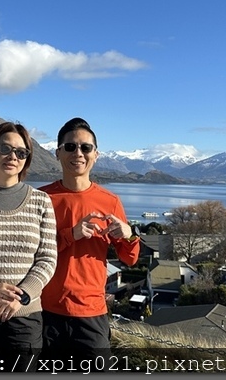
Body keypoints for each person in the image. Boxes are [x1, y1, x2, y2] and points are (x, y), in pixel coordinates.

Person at [39, 118, 139, 364]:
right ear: (58, 153)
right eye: (70, 147)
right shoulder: (40, 198)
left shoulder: (110, 201)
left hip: (91, 313)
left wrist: (129, 235)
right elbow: (28, 252)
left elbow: (130, 258)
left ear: (96, 154)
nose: (78, 153)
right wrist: (69, 235)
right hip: (45, 311)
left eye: (85, 148)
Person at [0, 122, 57, 371]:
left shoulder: (41, 202)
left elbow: (48, 259)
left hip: (25, 318)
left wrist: (21, 297)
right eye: (6, 148)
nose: (12, 157)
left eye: (21, 152)